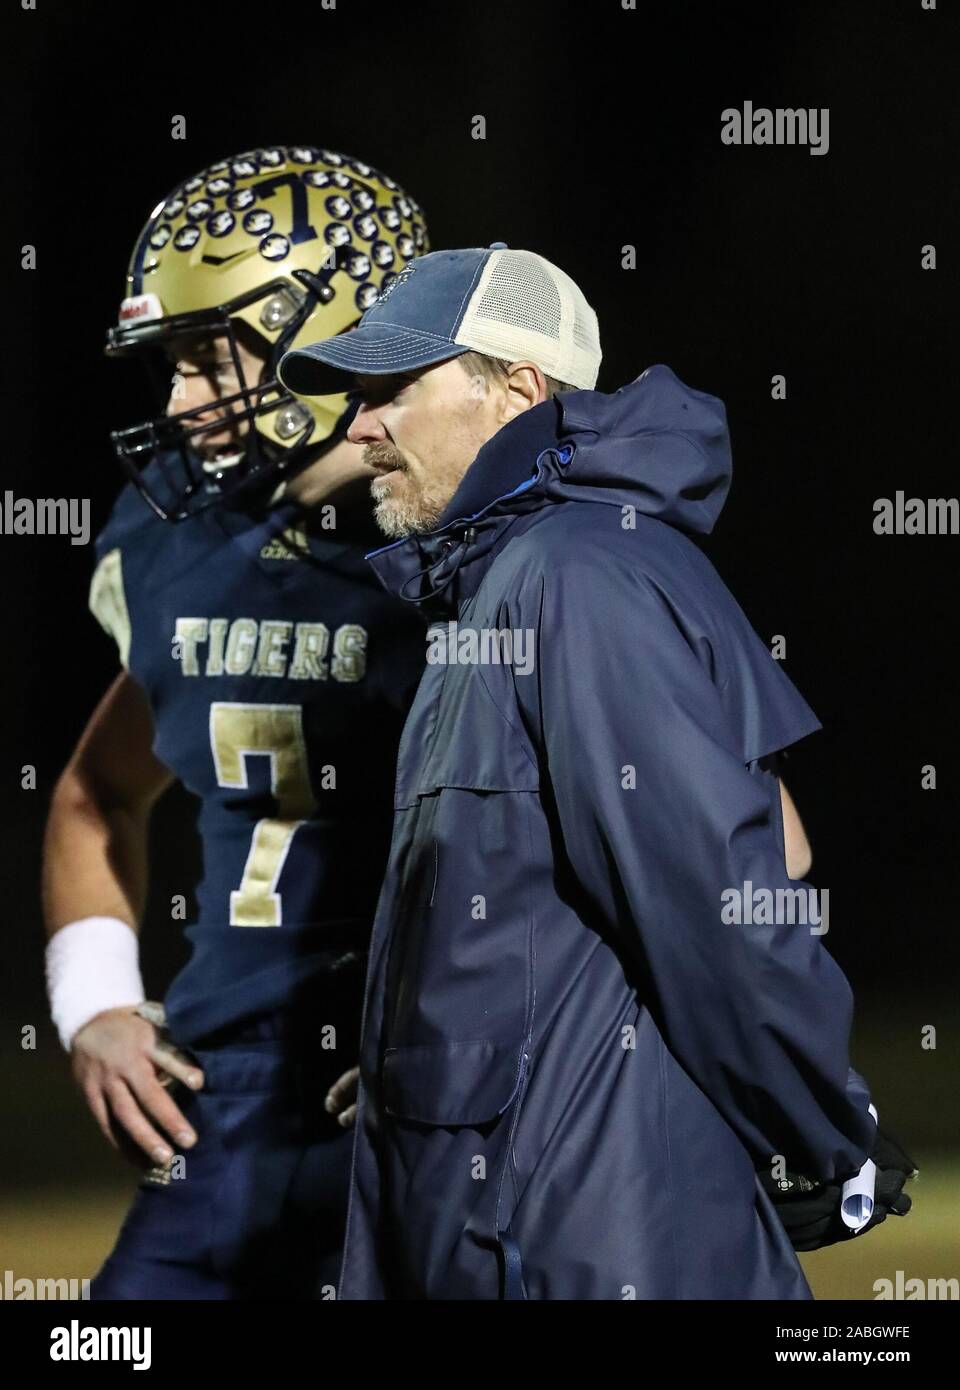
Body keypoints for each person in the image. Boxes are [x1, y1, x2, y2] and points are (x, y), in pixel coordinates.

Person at [278, 244, 916, 1299]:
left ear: (519, 389)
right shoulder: (503, 583)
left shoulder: (577, 575)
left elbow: (723, 891)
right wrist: (421, 1052)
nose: (361, 427)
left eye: (393, 388)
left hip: (589, 1244)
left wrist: (822, 1130)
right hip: (531, 1224)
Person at [42, 146, 429, 1299]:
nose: (178, 401)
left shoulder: (471, 545)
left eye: (214, 359)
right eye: (173, 363)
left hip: (433, 1102)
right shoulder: (188, 541)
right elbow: (93, 793)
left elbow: (696, 826)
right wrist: (96, 1005)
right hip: (225, 1099)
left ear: (340, 334)